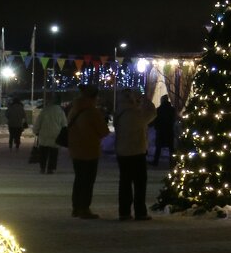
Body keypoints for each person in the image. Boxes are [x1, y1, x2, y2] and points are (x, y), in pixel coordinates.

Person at [67, 85, 110, 219]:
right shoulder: (92, 112)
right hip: (89, 150)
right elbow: (104, 131)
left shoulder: (74, 110)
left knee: (79, 179)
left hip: (75, 149)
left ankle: (76, 207)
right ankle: (84, 208)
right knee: (88, 181)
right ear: (93, 97)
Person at [114, 88, 157, 220]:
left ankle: (124, 211)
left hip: (122, 152)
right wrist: (145, 98)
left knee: (125, 182)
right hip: (136, 151)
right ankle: (140, 211)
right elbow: (152, 113)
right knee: (139, 182)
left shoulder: (119, 113)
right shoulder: (135, 114)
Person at [33, 96, 68, 174]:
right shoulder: (60, 111)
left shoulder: (44, 110)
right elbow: (64, 124)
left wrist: (35, 131)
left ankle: (42, 167)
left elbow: (38, 122)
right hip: (56, 135)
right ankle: (50, 168)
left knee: (43, 153)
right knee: (53, 153)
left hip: (44, 134)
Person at [150, 95, 177, 166]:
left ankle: (156, 162)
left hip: (161, 130)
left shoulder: (159, 109)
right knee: (171, 148)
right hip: (169, 130)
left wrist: (155, 126)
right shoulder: (172, 109)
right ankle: (172, 162)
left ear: (162, 100)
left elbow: (155, 120)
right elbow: (174, 119)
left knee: (158, 147)